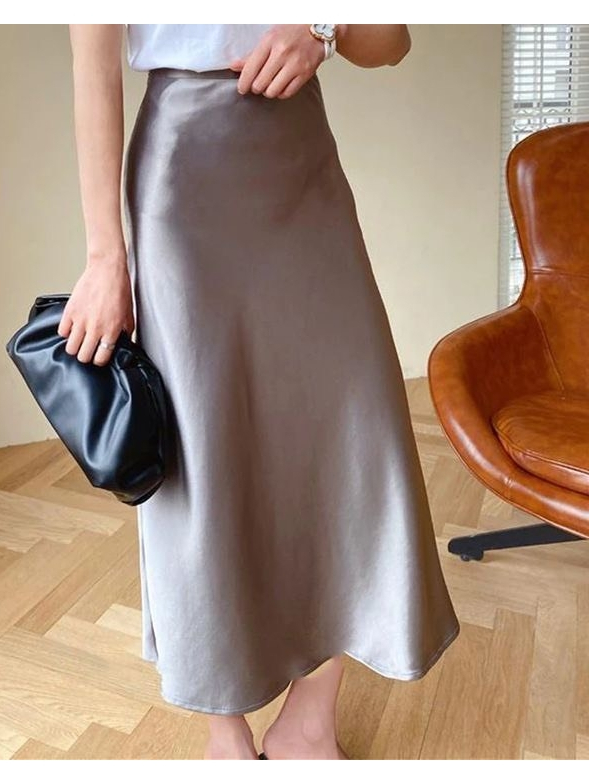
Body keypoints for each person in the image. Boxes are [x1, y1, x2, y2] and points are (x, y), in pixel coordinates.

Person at [63, 24, 460, 761]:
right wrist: (104, 254)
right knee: (203, 447)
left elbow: (393, 43)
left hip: (300, 163)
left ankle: (309, 723)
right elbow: (93, 66)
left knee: (350, 427)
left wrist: (324, 28)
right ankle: (225, 732)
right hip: (183, 176)